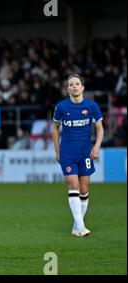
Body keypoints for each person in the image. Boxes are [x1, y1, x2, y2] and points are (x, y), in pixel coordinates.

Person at [52, 74, 104, 237]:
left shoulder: (92, 106)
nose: (74, 86)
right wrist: (57, 150)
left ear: (82, 87)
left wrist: (96, 147)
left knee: (83, 189)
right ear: (67, 89)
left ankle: (76, 226)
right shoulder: (61, 107)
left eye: (77, 84)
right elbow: (55, 128)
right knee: (73, 185)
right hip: (67, 153)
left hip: (85, 153)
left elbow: (100, 129)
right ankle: (81, 227)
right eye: (71, 84)